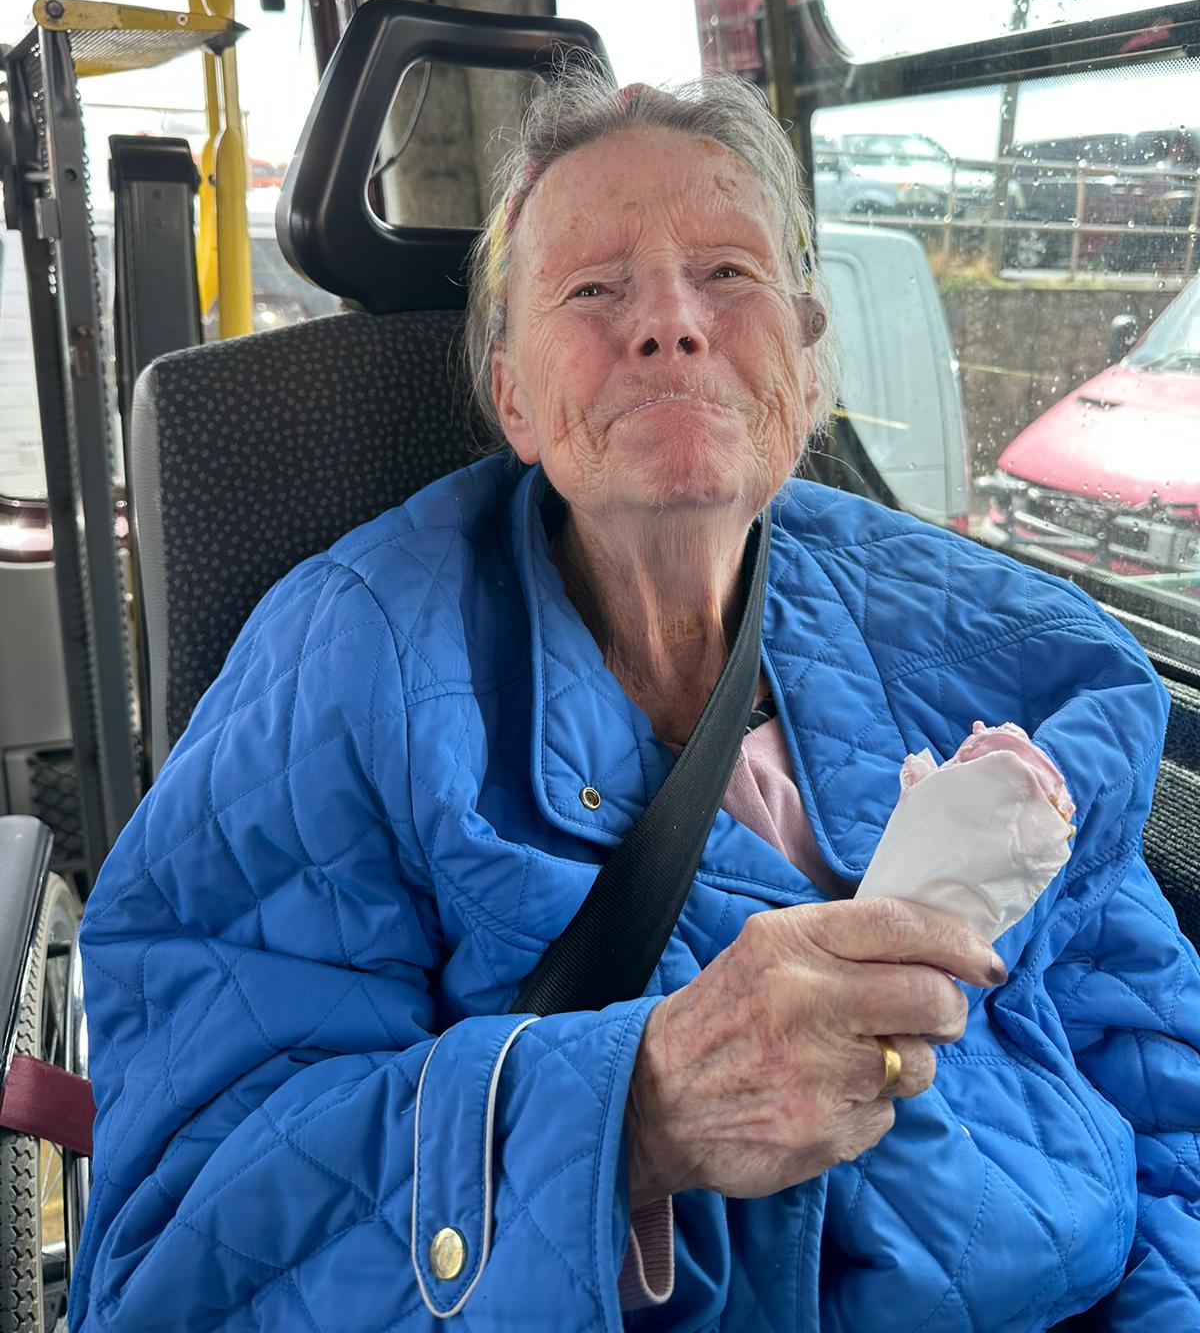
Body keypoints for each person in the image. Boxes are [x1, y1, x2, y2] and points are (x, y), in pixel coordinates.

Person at [71, 74, 1199, 1331]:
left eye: (727, 272)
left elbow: (1155, 1080)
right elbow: (182, 1255)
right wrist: (636, 1112)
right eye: (595, 290)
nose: (669, 321)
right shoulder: (340, 665)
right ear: (513, 395)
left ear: (805, 361)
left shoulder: (981, 639)